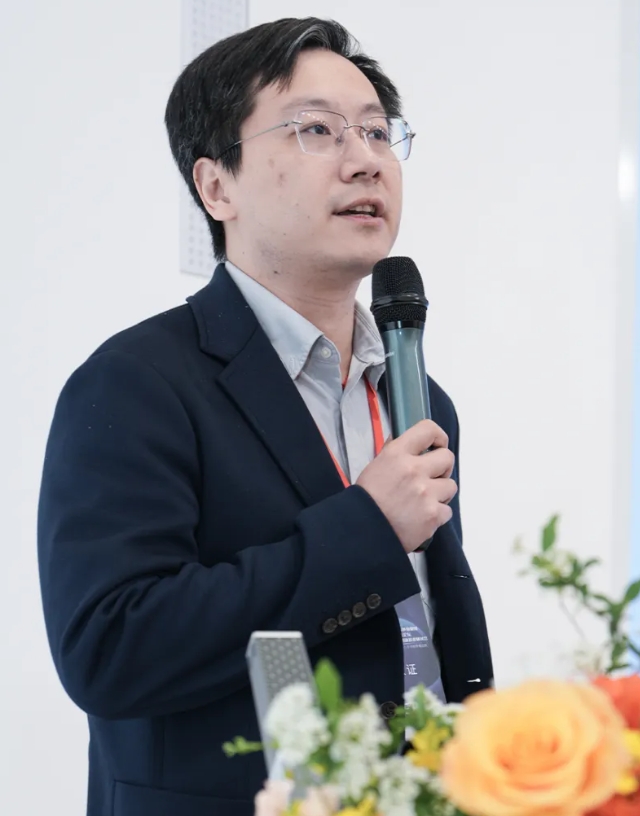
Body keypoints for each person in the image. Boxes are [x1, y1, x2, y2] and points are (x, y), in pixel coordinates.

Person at [37, 16, 493, 816]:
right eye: (316, 129)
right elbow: (110, 649)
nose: (364, 159)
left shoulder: (418, 396)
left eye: (377, 132)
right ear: (217, 186)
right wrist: (367, 529)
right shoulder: (136, 384)